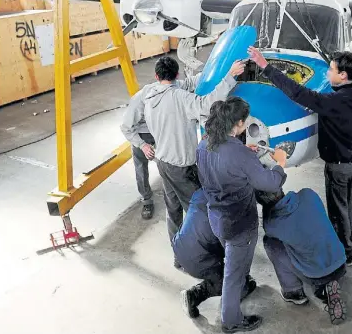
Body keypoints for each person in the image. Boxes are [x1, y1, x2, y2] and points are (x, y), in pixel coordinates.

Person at [247, 47, 352, 266]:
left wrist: (265, 66)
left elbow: (299, 93)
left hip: (340, 164)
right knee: (346, 202)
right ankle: (349, 237)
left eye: (332, 70)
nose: (328, 73)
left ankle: (345, 251)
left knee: (337, 210)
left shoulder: (335, 102)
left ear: (343, 75)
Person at [196, 96, 287, 333]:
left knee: (234, 262)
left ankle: (242, 287)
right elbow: (269, 183)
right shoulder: (239, 155)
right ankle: (231, 321)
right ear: (237, 123)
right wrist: (280, 164)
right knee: (233, 273)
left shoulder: (203, 144)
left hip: (216, 216)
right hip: (239, 224)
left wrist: (243, 151)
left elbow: (225, 162)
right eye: (245, 121)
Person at [143, 56, 244, 268]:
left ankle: (179, 254)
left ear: (156, 76)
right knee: (201, 210)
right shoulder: (180, 97)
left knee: (173, 211)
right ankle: (207, 257)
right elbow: (208, 104)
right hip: (181, 166)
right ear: (177, 74)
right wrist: (230, 77)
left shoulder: (150, 95)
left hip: (162, 162)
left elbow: (190, 85)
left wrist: (217, 68)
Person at [120, 63, 203, 220]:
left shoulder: (174, 86)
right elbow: (126, 127)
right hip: (142, 133)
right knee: (141, 166)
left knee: (166, 165)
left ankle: (171, 195)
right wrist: (142, 145)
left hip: (160, 129)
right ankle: (146, 200)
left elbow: (190, 82)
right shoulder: (142, 98)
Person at [256, 188, 347, 325]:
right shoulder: (308, 194)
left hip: (316, 275)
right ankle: (329, 281)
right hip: (340, 260)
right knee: (311, 229)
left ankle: (293, 291)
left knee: (270, 243)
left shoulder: (272, 224)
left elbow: (270, 228)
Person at [172, 188, 257, 318]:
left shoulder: (203, 191)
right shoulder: (228, 213)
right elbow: (233, 254)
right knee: (239, 286)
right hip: (198, 261)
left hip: (179, 247)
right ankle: (194, 295)